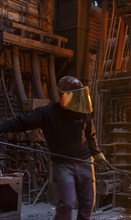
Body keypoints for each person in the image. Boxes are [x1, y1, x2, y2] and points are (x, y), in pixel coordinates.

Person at [0, 76, 110, 220]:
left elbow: (91, 134)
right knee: (67, 203)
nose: (78, 100)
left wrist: (97, 154)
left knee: (88, 202)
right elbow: (21, 122)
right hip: (63, 165)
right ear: (63, 95)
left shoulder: (82, 111)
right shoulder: (47, 113)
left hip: (85, 162)